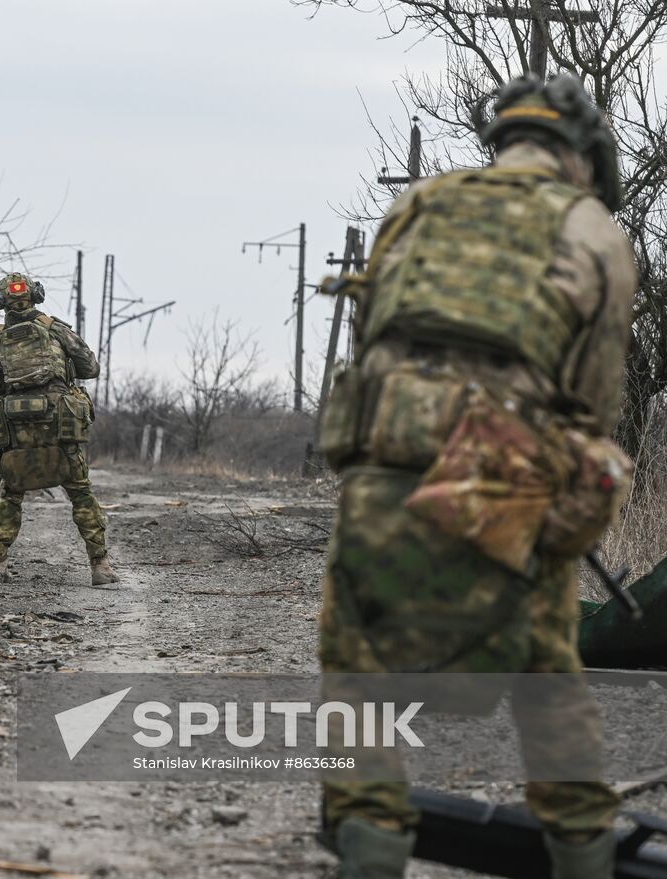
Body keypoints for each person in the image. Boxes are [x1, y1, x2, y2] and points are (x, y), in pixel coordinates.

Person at [316, 74, 637, 878]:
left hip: (380, 470)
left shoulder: (415, 209)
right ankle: (584, 857)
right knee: (547, 686)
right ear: (583, 156)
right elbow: (591, 406)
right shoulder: (591, 229)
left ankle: (367, 852)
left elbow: (371, 340)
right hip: (505, 483)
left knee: (359, 686)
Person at [0, 272, 118, 586]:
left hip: (17, 432)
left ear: (1, 304)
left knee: (11, 495)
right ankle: (101, 567)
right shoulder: (56, 330)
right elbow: (91, 369)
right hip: (60, 428)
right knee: (81, 494)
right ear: (35, 296)